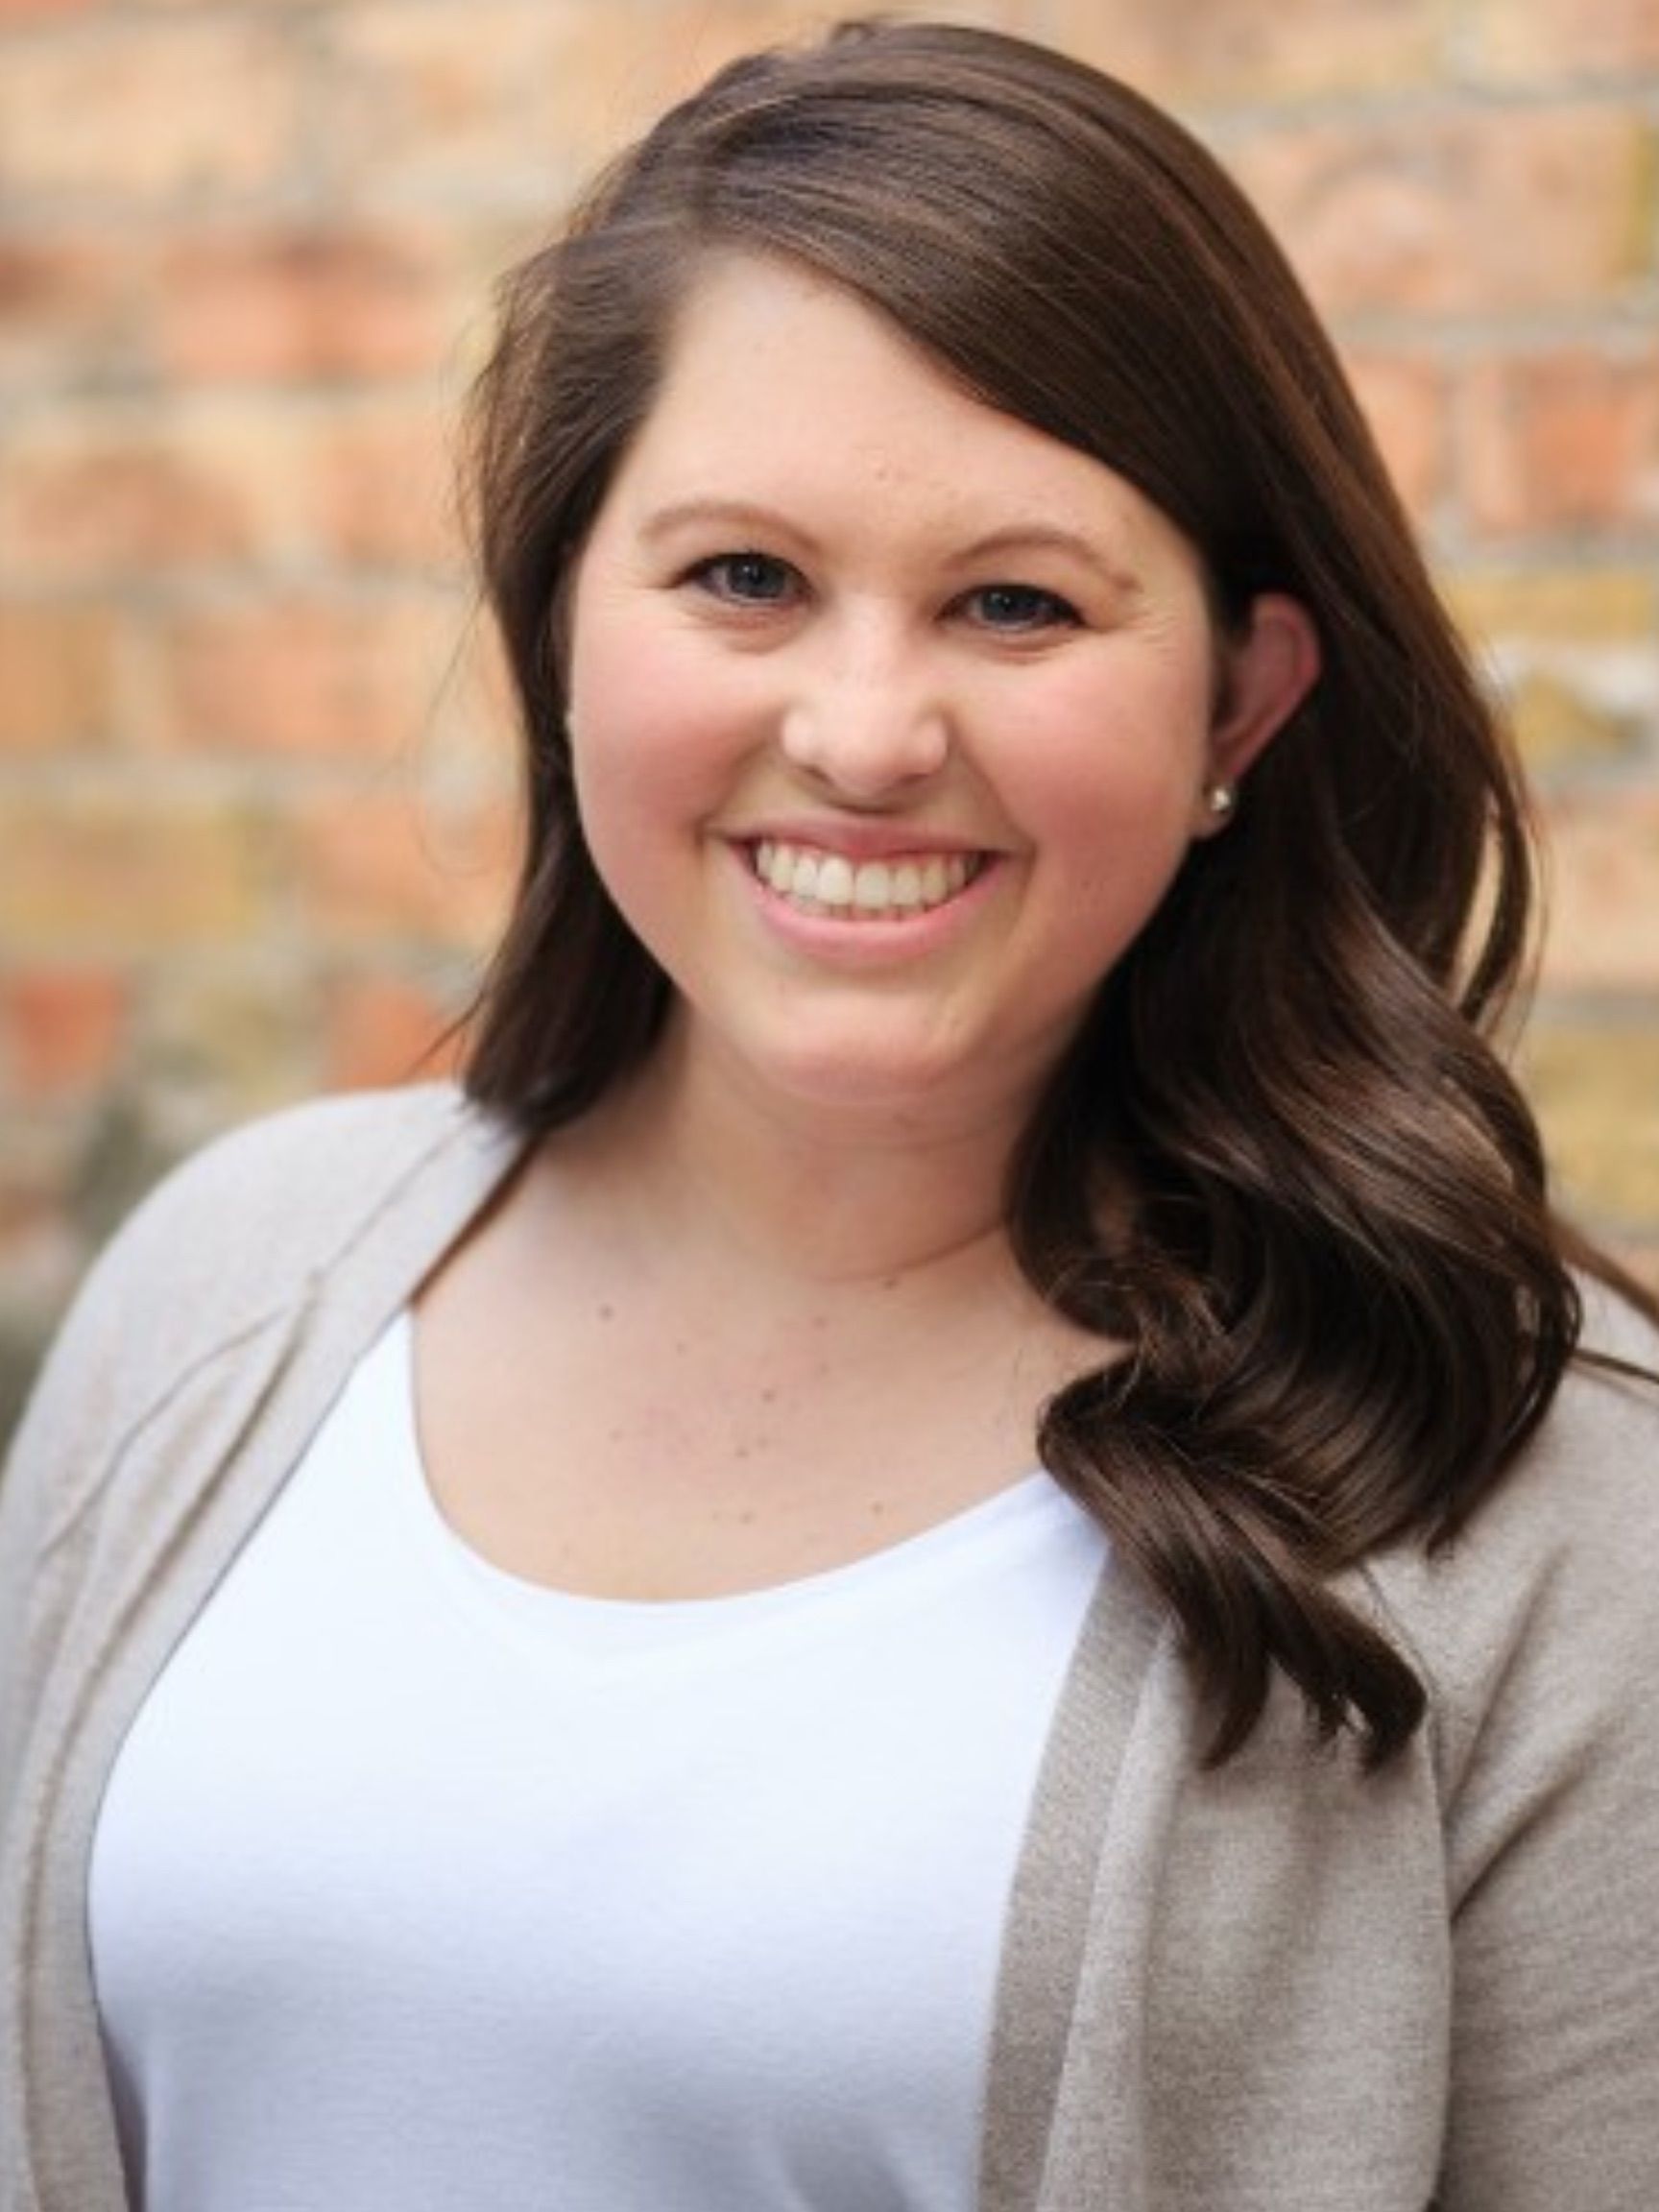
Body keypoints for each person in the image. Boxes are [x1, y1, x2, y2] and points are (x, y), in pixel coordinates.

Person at [3, 17, 1657, 2210]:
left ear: (1239, 700)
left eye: (1016, 602)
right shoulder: (227, 1283)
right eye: (745, 579)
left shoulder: (1540, 1498)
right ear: (562, 629)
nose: (866, 733)